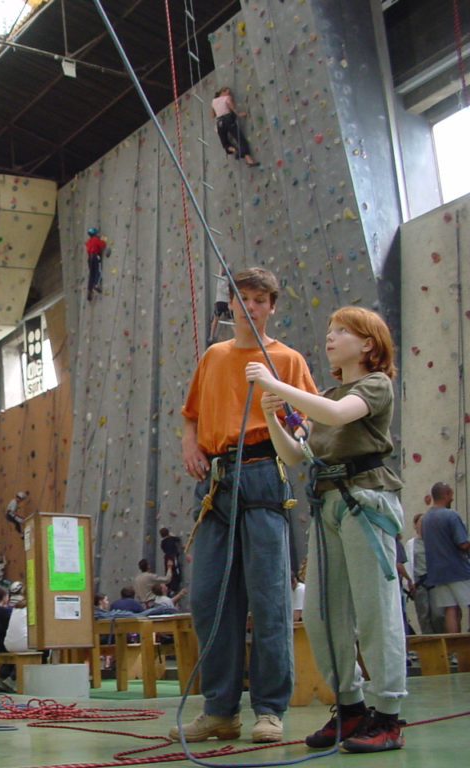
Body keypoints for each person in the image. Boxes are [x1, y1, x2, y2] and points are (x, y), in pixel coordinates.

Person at [247, 305, 407, 752]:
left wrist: (275, 384)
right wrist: (273, 415)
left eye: (341, 331)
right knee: (321, 614)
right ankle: (350, 707)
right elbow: (295, 453)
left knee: (374, 611)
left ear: (368, 344)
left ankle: (388, 715)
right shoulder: (329, 394)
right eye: (330, 330)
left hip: (365, 500)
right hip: (329, 505)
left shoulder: (374, 385)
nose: (330, 338)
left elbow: (337, 416)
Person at [174, 266, 317, 745]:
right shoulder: (214, 357)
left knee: (270, 598)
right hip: (215, 480)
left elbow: (306, 422)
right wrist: (190, 446)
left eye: (260, 300)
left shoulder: (287, 360)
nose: (251, 307)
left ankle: (270, 709)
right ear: (231, 304)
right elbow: (191, 414)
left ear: (272, 307)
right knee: (209, 598)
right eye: (244, 299)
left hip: (263, 474)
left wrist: (284, 416)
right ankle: (219, 711)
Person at [421, 482, 470, 634]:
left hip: (437, 572)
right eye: (451, 495)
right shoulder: (451, 515)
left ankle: (452, 645)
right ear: (446, 494)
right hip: (457, 569)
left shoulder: (425, 519)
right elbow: (463, 543)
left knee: (450, 609)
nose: (452, 498)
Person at [406, 511, 444, 633]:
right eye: (420, 522)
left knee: (438, 614)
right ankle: (429, 639)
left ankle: (440, 636)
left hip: (434, 581)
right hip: (419, 582)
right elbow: (408, 563)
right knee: (423, 614)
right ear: (415, 525)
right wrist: (409, 582)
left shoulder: (434, 541)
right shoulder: (411, 544)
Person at [211, 86, 259, 166]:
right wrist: (238, 113)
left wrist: (218, 109)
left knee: (225, 143)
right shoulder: (226, 98)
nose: (229, 94)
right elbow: (231, 105)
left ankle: (234, 150)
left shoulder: (213, 101)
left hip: (219, 123)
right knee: (240, 139)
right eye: (228, 92)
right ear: (223, 92)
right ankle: (249, 160)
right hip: (228, 119)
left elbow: (212, 115)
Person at [208, 267, 233, 345]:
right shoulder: (230, 282)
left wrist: (221, 263)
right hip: (226, 303)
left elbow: (220, 270)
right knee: (231, 320)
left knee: (215, 319)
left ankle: (211, 337)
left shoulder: (219, 279)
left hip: (219, 302)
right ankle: (237, 335)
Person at [160, 527, 184, 594]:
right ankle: (174, 589)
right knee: (176, 572)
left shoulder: (162, 543)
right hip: (173, 557)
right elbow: (178, 539)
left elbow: (163, 549)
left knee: (168, 572)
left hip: (167, 559)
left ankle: (168, 587)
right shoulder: (171, 539)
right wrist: (172, 535)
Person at [85, 227, 106, 301]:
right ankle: (96, 285)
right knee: (98, 271)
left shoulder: (88, 241)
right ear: (94, 234)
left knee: (91, 274)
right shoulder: (96, 239)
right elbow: (102, 245)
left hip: (89, 258)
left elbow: (87, 246)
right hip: (95, 256)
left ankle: (89, 291)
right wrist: (102, 239)